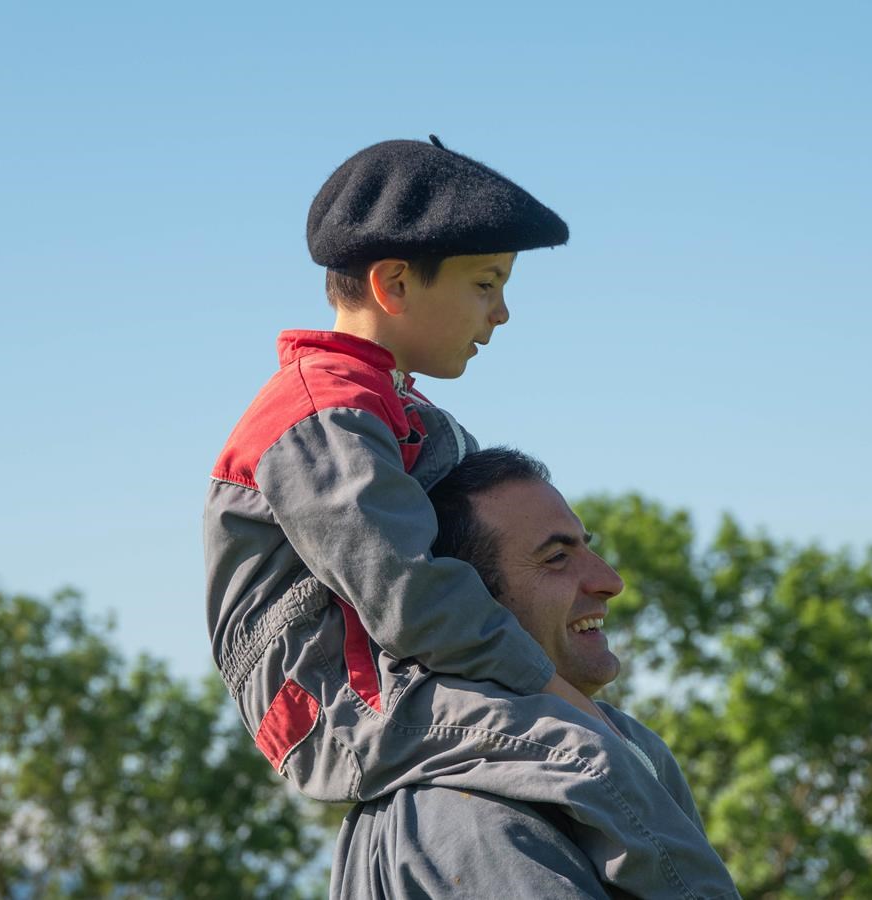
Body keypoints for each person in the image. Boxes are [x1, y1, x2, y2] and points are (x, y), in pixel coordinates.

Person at [204, 137, 727, 898]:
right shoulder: (320, 418)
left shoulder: (403, 413)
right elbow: (407, 593)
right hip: (341, 702)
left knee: (637, 748)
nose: (504, 312)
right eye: (486, 283)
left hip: (403, 680)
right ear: (392, 284)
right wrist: (542, 680)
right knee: (588, 755)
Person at [330, 448, 739, 899]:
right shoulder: (470, 812)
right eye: (557, 557)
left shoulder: (628, 746)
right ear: (469, 607)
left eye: (588, 546)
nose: (610, 580)